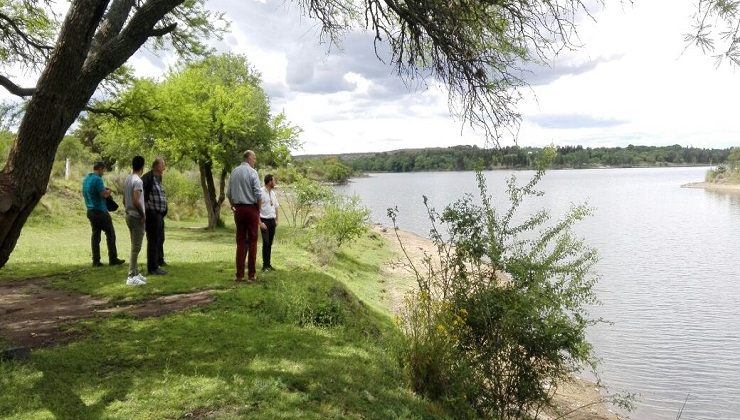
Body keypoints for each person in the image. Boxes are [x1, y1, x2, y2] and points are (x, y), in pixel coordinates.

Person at [226, 150, 263, 283]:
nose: (255, 161)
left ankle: (239, 275)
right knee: (253, 241)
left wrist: (233, 206)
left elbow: (229, 193)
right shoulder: (252, 172)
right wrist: (258, 209)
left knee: (240, 242)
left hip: (239, 209)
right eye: (254, 158)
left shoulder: (234, 172)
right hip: (251, 208)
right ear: (248, 158)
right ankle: (251, 275)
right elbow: (258, 194)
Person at [82, 161, 125, 267]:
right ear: (100, 169)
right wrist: (109, 191)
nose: (104, 172)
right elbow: (103, 195)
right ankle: (113, 258)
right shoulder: (98, 179)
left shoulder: (87, 178)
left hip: (90, 210)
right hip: (100, 211)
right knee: (110, 233)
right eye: (104, 170)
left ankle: (96, 261)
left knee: (95, 235)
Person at [123, 156, 147, 286]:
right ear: (142, 166)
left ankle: (136, 272)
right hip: (136, 217)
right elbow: (136, 200)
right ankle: (131, 276)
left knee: (134, 245)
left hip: (128, 215)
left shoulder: (128, 179)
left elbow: (123, 200)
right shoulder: (138, 181)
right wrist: (142, 214)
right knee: (136, 248)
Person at [142, 157, 168, 276]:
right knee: (153, 240)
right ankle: (152, 268)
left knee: (159, 238)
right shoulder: (147, 178)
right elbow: (141, 193)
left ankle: (158, 261)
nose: (164, 166)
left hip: (159, 214)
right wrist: (147, 208)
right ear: (157, 166)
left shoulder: (159, 177)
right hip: (152, 213)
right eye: (163, 164)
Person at [259, 174, 279, 271]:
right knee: (266, 243)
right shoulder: (261, 192)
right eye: (274, 181)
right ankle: (264, 265)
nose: (275, 183)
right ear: (269, 182)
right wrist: (260, 223)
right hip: (264, 221)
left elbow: (276, 206)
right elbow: (256, 209)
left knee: (270, 243)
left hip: (272, 221)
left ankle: (269, 264)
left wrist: (277, 220)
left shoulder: (273, 193)